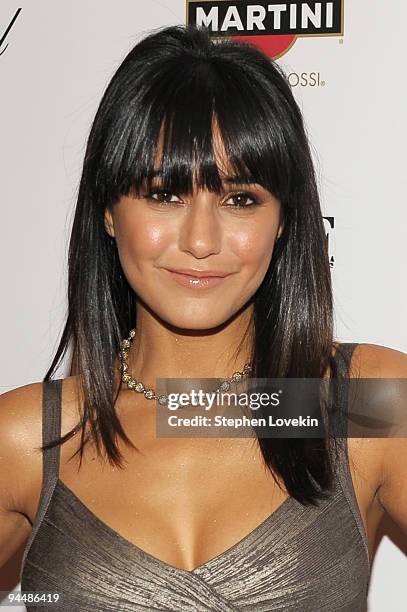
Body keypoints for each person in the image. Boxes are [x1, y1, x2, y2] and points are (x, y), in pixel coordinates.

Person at [0, 24, 406, 612]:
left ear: (285, 218)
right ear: (109, 210)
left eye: (241, 199)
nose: (200, 240)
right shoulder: (27, 441)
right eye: (164, 194)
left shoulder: (360, 404)